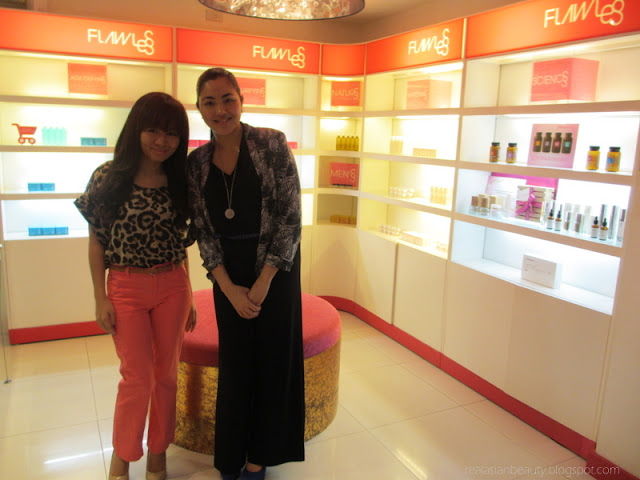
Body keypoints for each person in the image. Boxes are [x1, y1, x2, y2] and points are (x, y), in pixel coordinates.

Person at [186, 67, 305, 480]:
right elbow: (202, 230)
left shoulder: (271, 143)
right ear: (199, 109)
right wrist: (229, 288)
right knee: (236, 365)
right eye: (210, 102)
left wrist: (264, 281)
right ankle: (231, 455)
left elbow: (291, 217)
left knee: (273, 362)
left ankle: (259, 456)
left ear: (241, 99)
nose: (220, 110)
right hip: (227, 275)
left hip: (276, 271)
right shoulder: (196, 163)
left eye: (228, 99)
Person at [75, 92, 197, 480]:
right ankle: (123, 456)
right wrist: (100, 297)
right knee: (137, 377)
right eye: (153, 130)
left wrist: (190, 294)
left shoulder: (180, 181)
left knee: (166, 375)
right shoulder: (108, 177)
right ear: (136, 130)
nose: (162, 141)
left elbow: (180, 242)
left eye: (172, 134)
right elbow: (97, 242)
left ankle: (158, 453)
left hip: (173, 285)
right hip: (126, 286)